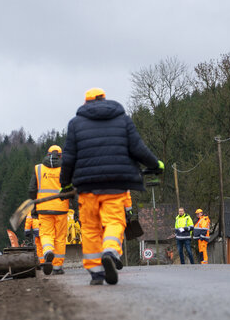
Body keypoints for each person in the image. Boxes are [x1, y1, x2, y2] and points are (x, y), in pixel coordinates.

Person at [60, 87, 163, 286]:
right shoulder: (122, 119)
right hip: (116, 185)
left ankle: (96, 272)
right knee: (115, 222)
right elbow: (138, 148)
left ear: (86, 102)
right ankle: (110, 250)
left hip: (87, 187)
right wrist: (155, 164)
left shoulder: (75, 124)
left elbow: (69, 158)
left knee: (90, 229)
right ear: (105, 100)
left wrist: (65, 184)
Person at [28, 145, 69, 275]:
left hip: (43, 209)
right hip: (61, 210)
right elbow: (71, 189)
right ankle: (57, 267)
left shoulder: (38, 169)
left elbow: (32, 190)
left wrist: (34, 208)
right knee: (60, 238)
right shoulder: (65, 169)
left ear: (47, 154)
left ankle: (47, 251)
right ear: (61, 155)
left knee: (46, 234)